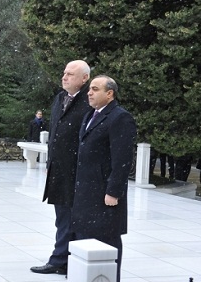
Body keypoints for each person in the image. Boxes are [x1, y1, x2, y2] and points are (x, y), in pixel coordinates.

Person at [72, 75, 137, 282]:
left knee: (106, 242)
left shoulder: (120, 117)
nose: (89, 92)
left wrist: (113, 191)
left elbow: (122, 159)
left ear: (110, 94)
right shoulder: (90, 114)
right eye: (89, 88)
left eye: (95, 89)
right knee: (85, 240)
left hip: (104, 194)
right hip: (86, 192)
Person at [30, 60, 91, 275]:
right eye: (64, 73)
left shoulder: (89, 101)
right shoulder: (60, 98)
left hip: (78, 171)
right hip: (59, 169)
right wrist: (50, 162)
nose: (64, 77)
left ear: (84, 78)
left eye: (71, 74)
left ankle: (63, 259)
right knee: (62, 217)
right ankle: (63, 258)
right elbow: (56, 133)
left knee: (74, 218)